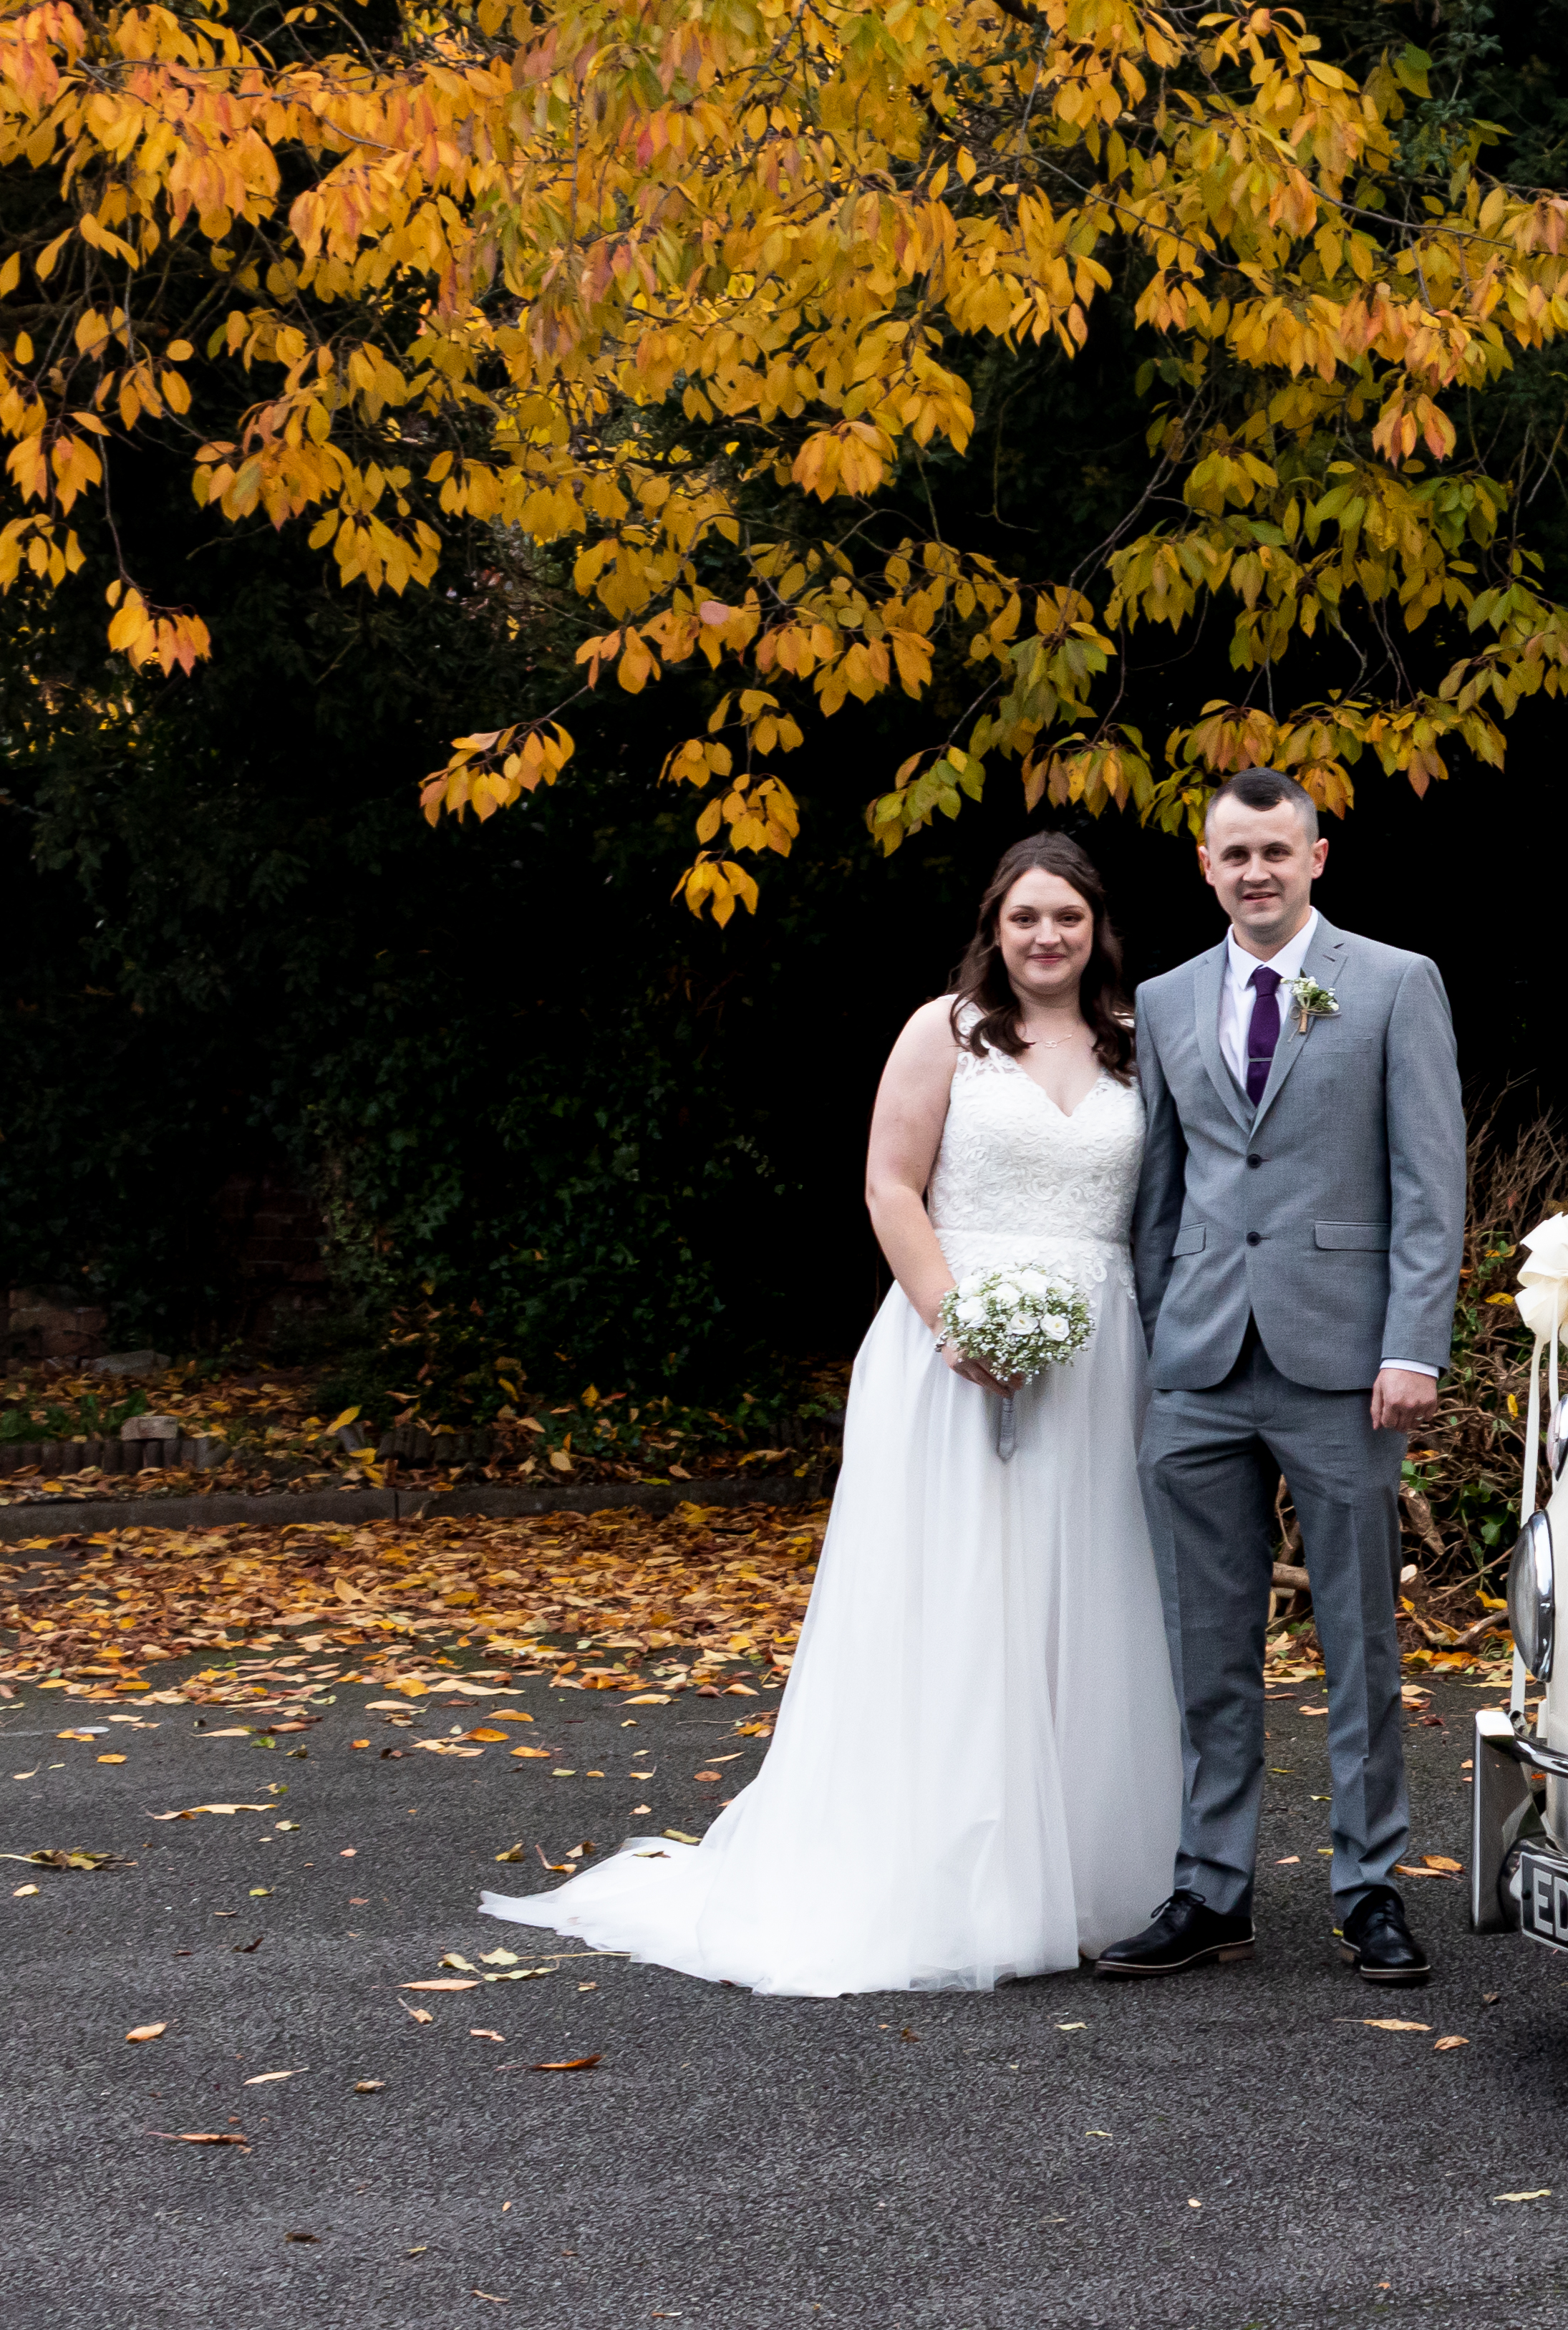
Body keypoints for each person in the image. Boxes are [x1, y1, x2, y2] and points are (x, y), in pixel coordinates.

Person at [483, 836, 1184, 1992]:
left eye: (1066, 917)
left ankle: (1089, 1876)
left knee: (1085, 1593)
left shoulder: (1136, 1046)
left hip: (1105, 1354)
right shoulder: (944, 1031)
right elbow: (889, 1185)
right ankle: (955, 1878)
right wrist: (956, 1323)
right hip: (953, 1341)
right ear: (994, 930)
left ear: (1097, 927)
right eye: (1024, 919)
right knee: (961, 1598)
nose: (1046, 937)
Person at [1095, 769, 1465, 1987]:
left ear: (1318, 857)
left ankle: (1370, 1889)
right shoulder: (1163, 998)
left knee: (1359, 1639)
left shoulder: (1396, 984)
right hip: (1199, 1363)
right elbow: (1160, 1197)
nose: (1255, 871)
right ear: (1206, 868)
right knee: (1207, 1643)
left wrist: (1412, 1344)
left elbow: (1428, 1183)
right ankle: (1212, 1889)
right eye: (1232, 854)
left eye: (1276, 851)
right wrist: (1155, 1352)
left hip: (1344, 1365)